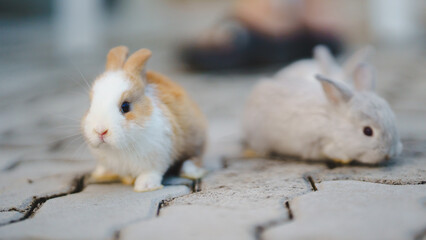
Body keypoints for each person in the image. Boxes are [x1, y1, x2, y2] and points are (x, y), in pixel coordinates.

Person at [181, 0, 342, 71]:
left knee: (330, 43)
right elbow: (243, 13)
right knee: (198, 54)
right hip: (256, 34)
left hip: (293, 37)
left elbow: (320, 21)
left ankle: (266, 57)